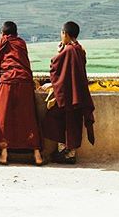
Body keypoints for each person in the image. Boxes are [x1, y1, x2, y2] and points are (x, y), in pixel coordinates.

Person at [0, 21, 44, 166]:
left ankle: (4, 155)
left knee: (3, 118)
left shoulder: (0, 43)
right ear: (16, 33)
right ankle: (37, 155)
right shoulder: (21, 43)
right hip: (24, 82)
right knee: (29, 117)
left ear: (2, 33)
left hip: (7, 82)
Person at [41, 21, 95, 164]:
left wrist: (59, 52)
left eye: (61, 33)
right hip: (78, 93)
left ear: (65, 33)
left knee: (58, 120)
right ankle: (67, 152)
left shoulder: (69, 50)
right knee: (72, 123)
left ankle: (66, 153)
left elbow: (56, 67)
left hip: (68, 94)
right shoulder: (79, 49)